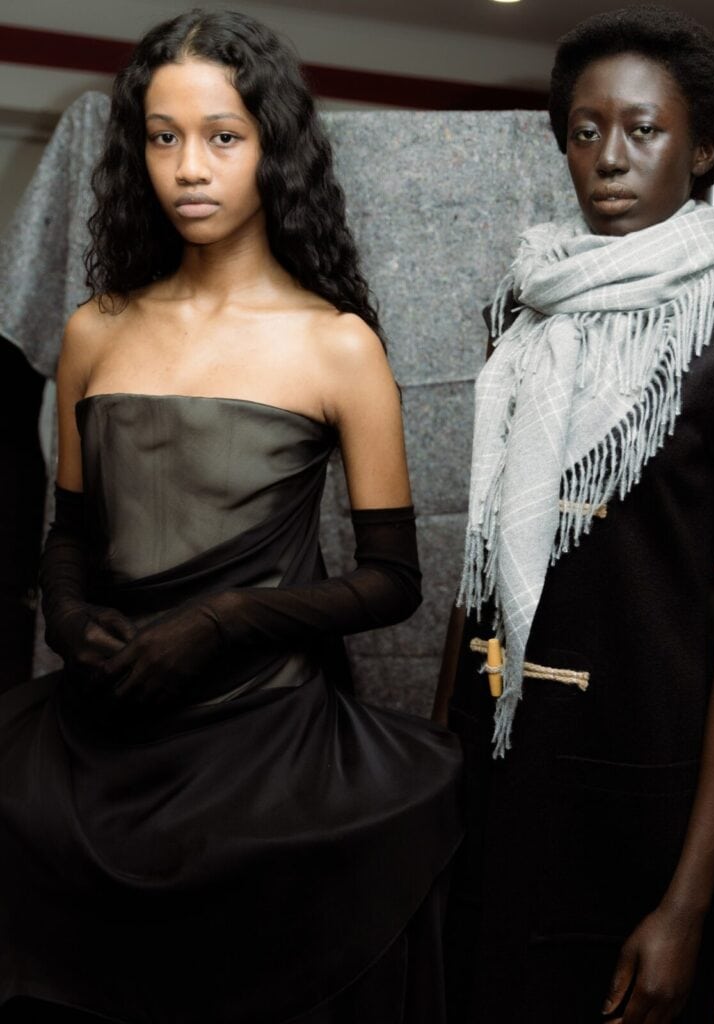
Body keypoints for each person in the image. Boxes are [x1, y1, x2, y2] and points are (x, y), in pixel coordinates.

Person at [0, 10, 461, 1023]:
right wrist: (69, 624)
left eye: (222, 136)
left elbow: (395, 579)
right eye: (163, 137)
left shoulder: (337, 345)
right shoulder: (95, 329)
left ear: (274, 149)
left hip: (268, 745)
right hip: (100, 733)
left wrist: (221, 620)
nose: (188, 168)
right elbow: (69, 536)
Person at [437, 7, 714, 1024]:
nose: (608, 156)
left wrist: (686, 902)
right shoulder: (521, 316)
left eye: (643, 129)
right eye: (585, 130)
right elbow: (481, 569)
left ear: (704, 149)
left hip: (642, 799)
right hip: (498, 774)